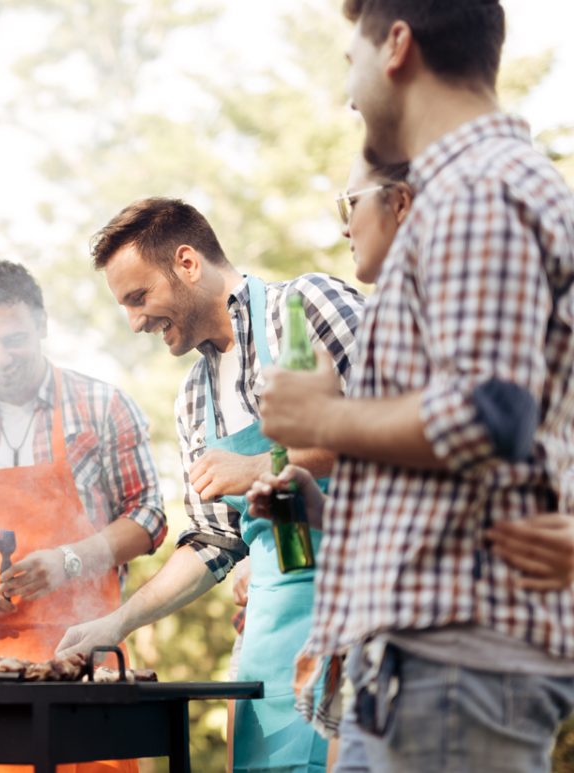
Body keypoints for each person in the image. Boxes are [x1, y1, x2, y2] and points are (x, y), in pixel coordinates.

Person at [258, 1, 574, 769]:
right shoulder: (481, 190)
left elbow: (487, 414)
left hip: (454, 659)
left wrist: (325, 417)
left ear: (397, 45)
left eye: (349, 64)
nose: (350, 93)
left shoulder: (474, 192)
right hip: (432, 659)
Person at [59, 197, 365, 772]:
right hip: (271, 640)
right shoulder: (193, 400)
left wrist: (259, 468)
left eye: (138, 297)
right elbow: (214, 542)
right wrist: (116, 622)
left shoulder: (307, 305)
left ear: (188, 263)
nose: (134, 321)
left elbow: (403, 424)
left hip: (366, 612)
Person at [0, 260, 166, 773]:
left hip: (84, 662)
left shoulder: (103, 407)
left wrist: (72, 559)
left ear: (42, 325)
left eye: (14, 339)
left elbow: (150, 517)